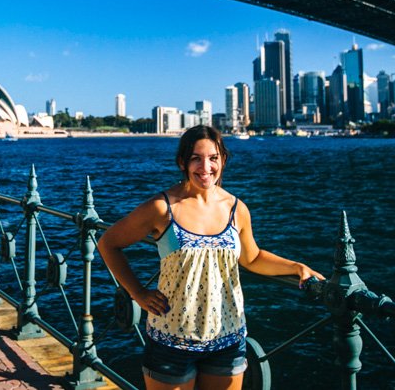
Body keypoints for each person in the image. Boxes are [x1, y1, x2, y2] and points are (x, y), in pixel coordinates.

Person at [98, 125, 324, 390]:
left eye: (213, 158)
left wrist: (297, 267)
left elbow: (252, 258)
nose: (205, 167)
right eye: (196, 158)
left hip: (226, 338)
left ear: (223, 160)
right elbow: (108, 243)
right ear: (182, 162)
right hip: (172, 338)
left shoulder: (236, 209)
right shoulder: (163, 207)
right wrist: (137, 293)